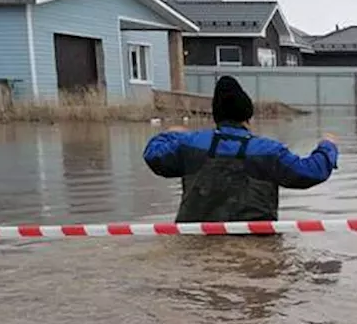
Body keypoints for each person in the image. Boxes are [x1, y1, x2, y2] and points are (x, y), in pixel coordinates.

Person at [142, 76, 339, 223]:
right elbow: (311, 172)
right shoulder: (269, 150)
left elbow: (153, 155)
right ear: (248, 118)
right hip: (256, 243)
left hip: (197, 241)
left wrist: (171, 133)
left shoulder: (188, 144)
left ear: (216, 117)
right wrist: (327, 146)